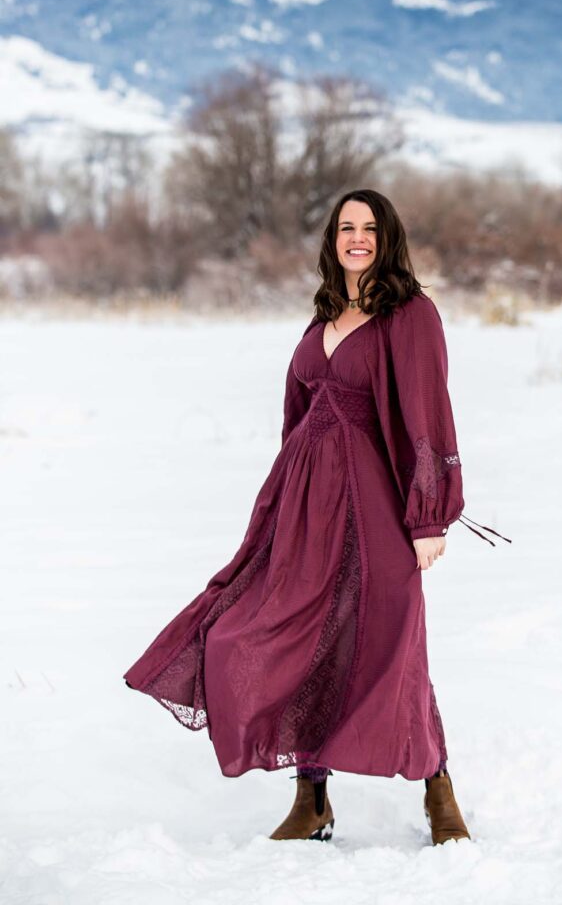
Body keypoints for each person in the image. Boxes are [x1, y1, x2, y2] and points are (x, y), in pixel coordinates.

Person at [123, 187, 482, 845]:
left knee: (393, 644)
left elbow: (428, 419)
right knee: (266, 635)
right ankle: (311, 796)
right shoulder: (322, 318)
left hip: (376, 510)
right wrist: (284, 505)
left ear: (388, 237)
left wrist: (428, 517)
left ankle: (437, 786)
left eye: (370, 227)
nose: (358, 238)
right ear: (332, 239)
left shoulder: (410, 315)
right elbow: (297, 422)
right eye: (347, 227)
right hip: (302, 509)